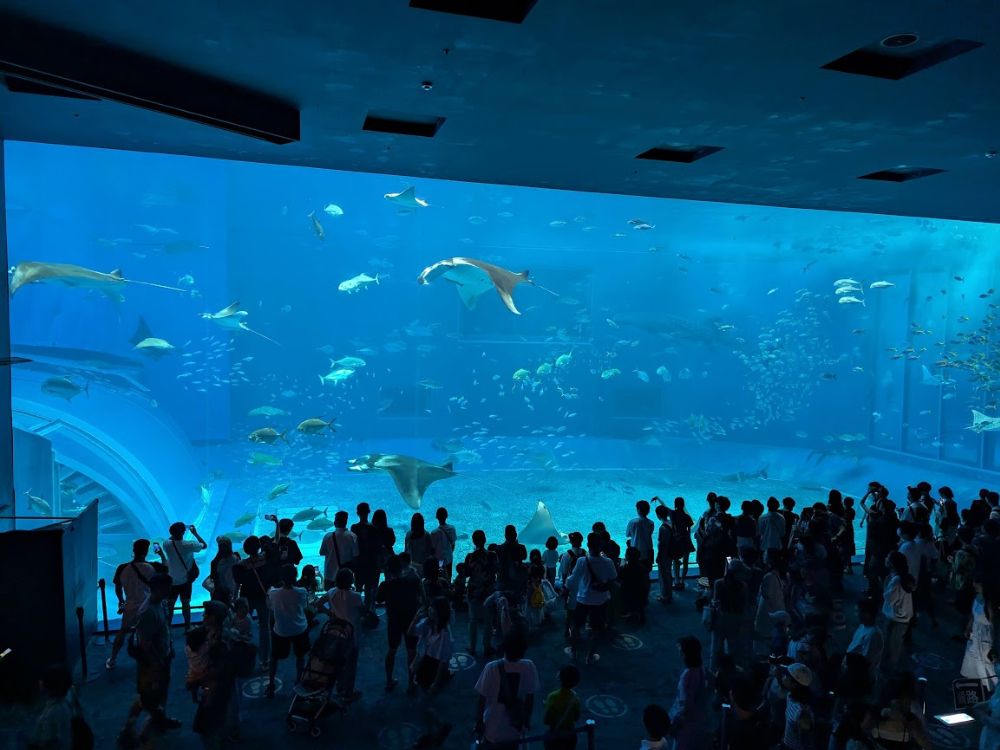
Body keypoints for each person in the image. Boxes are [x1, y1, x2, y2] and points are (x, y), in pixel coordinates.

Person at [119, 573, 181, 746]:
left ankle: (156, 719)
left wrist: (169, 648)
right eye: (168, 587)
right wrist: (156, 665)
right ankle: (136, 732)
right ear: (160, 589)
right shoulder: (147, 611)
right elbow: (145, 644)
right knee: (148, 696)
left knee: (152, 694)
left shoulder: (158, 603)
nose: (170, 590)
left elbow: (162, 631)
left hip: (161, 658)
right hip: (152, 663)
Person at [475, 627, 539, 750]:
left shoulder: (491, 668)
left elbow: (481, 698)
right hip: (515, 728)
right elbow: (530, 699)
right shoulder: (529, 667)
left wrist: (479, 722)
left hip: (492, 727)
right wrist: (526, 720)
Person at [565, 532, 618, 664]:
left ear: (588, 545)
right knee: (597, 629)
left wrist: (565, 584)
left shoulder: (582, 561)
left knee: (576, 626)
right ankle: (590, 656)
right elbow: (613, 578)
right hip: (600, 601)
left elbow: (573, 579)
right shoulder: (608, 562)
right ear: (601, 545)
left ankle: (573, 651)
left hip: (583, 599)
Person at [410, 596, 455, 748]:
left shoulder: (445, 634)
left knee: (424, 702)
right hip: (424, 663)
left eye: (432, 608)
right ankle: (437, 728)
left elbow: (443, 661)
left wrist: (436, 682)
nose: (428, 610)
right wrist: (416, 617)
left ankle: (432, 732)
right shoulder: (428, 624)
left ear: (439, 612)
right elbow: (411, 632)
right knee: (424, 701)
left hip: (434, 667)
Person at [107, 539, 156, 670]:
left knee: (122, 632)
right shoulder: (151, 568)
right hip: (146, 606)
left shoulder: (122, 568)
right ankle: (146, 661)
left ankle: (112, 659)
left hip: (130, 606)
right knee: (145, 634)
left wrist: (121, 601)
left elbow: (118, 588)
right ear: (146, 551)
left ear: (134, 550)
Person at [377, 554, 422, 692]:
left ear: (388, 570)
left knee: (391, 650)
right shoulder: (412, 582)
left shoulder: (385, 585)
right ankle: (411, 682)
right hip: (411, 621)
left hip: (394, 622)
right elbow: (420, 597)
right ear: (402, 567)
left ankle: (389, 680)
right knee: (412, 651)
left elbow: (378, 600)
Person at [266, 563, 309, 698]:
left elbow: (270, 605)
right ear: (296, 576)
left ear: (281, 578)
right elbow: (304, 605)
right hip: (299, 629)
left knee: (274, 657)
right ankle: (299, 680)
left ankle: (271, 683)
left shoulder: (273, 593)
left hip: (281, 631)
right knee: (300, 656)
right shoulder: (302, 591)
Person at [324, 567, 365, 701]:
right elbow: (364, 612)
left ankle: (340, 687)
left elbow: (317, 604)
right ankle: (349, 692)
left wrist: (330, 614)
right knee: (351, 664)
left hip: (335, 633)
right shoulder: (356, 596)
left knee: (338, 662)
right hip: (351, 635)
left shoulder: (331, 592)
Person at [231, 536, 272, 669]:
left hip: (246, 599)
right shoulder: (265, 561)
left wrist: (235, 597)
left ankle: (242, 656)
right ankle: (265, 660)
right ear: (258, 547)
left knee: (242, 625)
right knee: (264, 628)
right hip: (262, 597)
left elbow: (238, 583)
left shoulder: (241, 565)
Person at [162, 521, 207, 631]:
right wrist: (195, 533)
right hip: (186, 580)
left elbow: (171, 538)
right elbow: (204, 545)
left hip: (171, 580)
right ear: (183, 532)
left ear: (171, 533)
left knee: (170, 605)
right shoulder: (189, 545)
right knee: (186, 604)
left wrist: (177, 531)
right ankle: (187, 626)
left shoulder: (166, 544)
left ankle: (168, 627)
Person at [28, 664, 83, 750]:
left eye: (43, 680)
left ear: (49, 688)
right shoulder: (69, 692)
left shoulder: (53, 712)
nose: (40, 682)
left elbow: (47, 740)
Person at [670, 636, 708, 750]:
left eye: (681, 652)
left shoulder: (686, 678)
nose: (679, 655)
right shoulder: (701, 669)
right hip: (699, 720)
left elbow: (686, 705)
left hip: (686, 725)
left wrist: (674, 723)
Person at [961, 578, 999, 688]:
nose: (974, 585)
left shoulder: (989, 602)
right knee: (972, 658)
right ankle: (971, 683)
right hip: (975, 631)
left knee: (986, 662)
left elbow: (992, 622)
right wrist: (968, 628)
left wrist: (993, 642)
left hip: (984, 634)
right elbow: (973, 616)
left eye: (976, 584)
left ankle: (992, 686)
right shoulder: (976, 598)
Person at [881, 551, 914, 673]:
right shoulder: (905, 577)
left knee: (893, 644)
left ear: (891, 564)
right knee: (895, 642)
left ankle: (890, 670)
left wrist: (884, 584)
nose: (885, 558)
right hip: (903, 616)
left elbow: (889, 599)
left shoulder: (895, 580)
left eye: (887, 558)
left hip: (896, 617)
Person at [543, 664, 581, 750]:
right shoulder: (575, 699)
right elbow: (576, 717)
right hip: (569, 736)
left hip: (555, 736)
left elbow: (546, 720)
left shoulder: (552, 697)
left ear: (560, 678)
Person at [319, 511, 359, 589]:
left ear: (335, 522)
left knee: (331, 597)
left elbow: (321, 552)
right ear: (346, 521)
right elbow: (356, 555)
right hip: (346, 575)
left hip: (330, 575)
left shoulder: (327, 536)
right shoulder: (352, 536)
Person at [349, 502, 377, 611]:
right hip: (371, 562)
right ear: (369, 512)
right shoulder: (374, 528)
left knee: (358, 588)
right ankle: (367, 610)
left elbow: (353, 546)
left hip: (359, 563)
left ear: (357, 513)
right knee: (369, 589)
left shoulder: (354, 527)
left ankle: (357, 609)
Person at [782, 663, 815, 750]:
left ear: (794, 684)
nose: (784, 676)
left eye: (787, 675)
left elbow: (806, 742)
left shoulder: (802, 712)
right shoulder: (790, 696)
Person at [846, 598, 884, 670]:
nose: (855, 615)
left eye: (857, 611)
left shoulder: (873, 634)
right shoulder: (862, 626)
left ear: (867, 614)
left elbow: (866, 660)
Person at [620, 546, 650, 625]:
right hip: (642, 594)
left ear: (628, 557)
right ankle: (639, 613)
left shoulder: (625, 568)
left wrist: (622, 565)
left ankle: (630, 612)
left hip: (629, 594)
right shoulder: (642, 568)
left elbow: (620, 578)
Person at [670, 497, 695, 589]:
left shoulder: (672, 514)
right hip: (685, 540)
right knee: (685, 561)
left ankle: (676, 580)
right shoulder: (687, 517)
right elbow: (689, 531)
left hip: (676, 540)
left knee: (675, 561)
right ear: (683, 505)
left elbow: (673, 528)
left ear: (675, 504)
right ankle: (682, 581)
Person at [207, 535, 239, 605]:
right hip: (230, 589)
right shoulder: (235, 558)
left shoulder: (216, 562)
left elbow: (213, 576)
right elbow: (237, 578)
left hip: (220, 591)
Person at [430, 506, 458, 579]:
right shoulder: (452, 528)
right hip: (449, 558)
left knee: (440, 576)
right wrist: (449, 553)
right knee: (449, 575)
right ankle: (448, 587)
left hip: (440, 561)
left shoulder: (434, 533)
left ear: (437, 517)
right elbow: (453, 544)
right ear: (446, 516)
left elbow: (432, 549)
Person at [626, 500, 655, 568]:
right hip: (648, 551)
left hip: (635, 551)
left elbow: (627, 534)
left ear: (638, 510)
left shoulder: (632, 522)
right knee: (647, 572)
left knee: (635, 571)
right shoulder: (651, 523)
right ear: (648, 511)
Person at [655, 505, 673, 603]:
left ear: (658, 515)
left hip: (664, 554)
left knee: (663, 575)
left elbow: (662, 544)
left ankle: (665, 596)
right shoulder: (671, 523)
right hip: (670, 553)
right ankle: (668, 594)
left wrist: (658, 556)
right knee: (668, 573)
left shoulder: (663, 528)